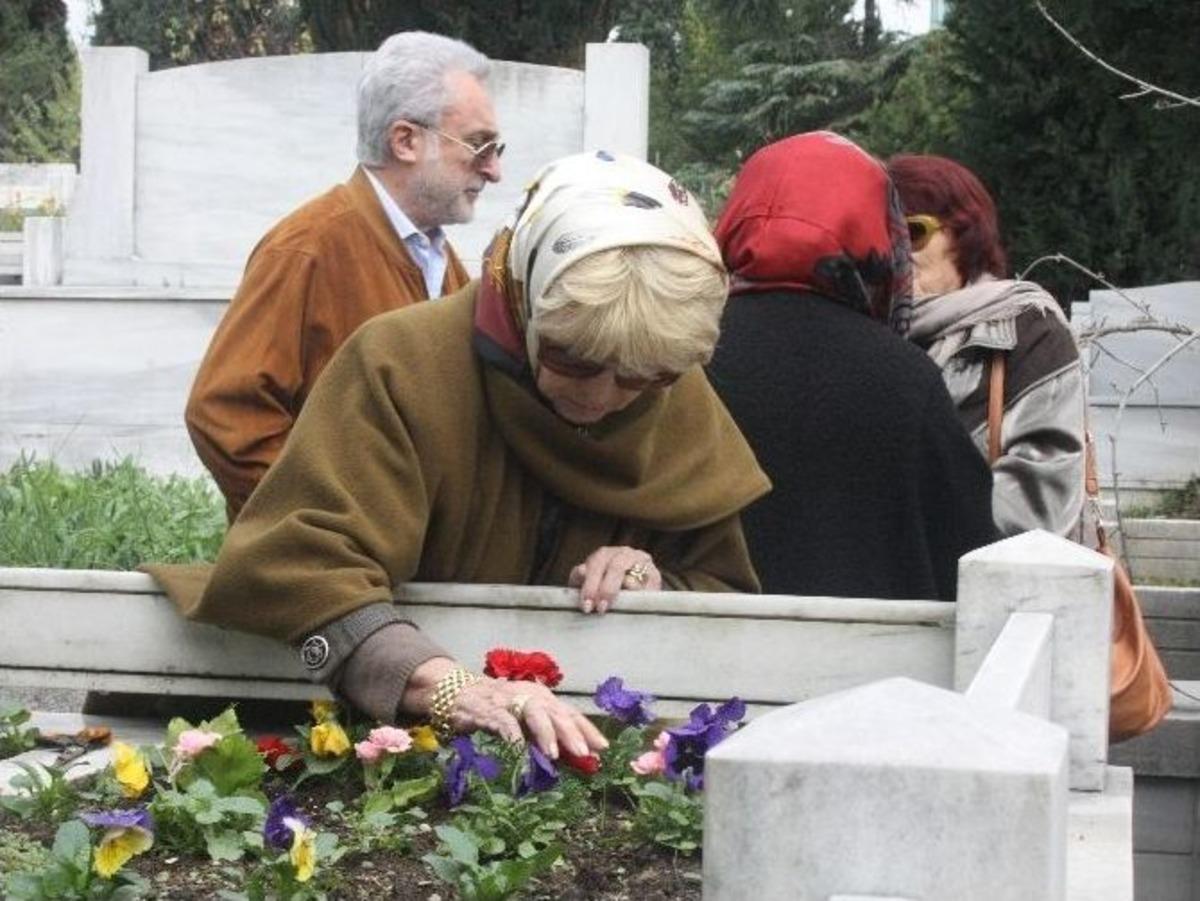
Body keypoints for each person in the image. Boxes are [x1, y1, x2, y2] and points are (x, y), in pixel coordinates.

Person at [150, 152, 770, 759]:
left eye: (640, 380)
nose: (601, 399)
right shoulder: (401, 362)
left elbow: (721, 598)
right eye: (571, 360)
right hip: (379, 745)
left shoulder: (668, 380)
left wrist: (650, 576)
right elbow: (300, 561)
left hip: (590, 750)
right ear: (527, 301)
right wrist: (444, 685)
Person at [186, 31, 503, 520]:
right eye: (479, 146)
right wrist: (325, 528)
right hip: (330, 580)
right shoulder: (306, 249)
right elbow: (225, 414)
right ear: (405, 141)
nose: (495, 169)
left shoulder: (442, 261)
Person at [705, 131, 997, 601]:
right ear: (877, 233)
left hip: (691, 662)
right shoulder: (906, 379)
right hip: (876, 668)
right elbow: (970, 550)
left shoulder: (679, 359)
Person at [886, 153, 1086, 539]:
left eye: (912, 233)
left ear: (963, 234)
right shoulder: (864, 335)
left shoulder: (1027, 328)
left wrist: (902, 534)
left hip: (996, 587)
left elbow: (1040, 503)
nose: (895, 251)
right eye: (881, 235)